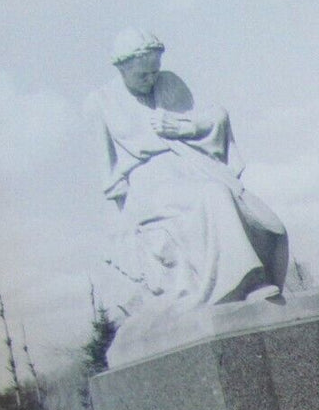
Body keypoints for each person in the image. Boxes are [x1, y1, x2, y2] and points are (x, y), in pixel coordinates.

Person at [93, 28, 287, 317]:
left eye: (154, 71)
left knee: (261, 218)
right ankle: (245, 282)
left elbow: (215, 115)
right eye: (142, 75)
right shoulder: (101, 102)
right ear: (122, 69)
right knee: (212, 195)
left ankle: (244, 279)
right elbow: (109, 177)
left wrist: (185, 127)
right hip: (147, 184)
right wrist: (123, 226)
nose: (151, 80)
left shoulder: (169, 83)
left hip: (192, 166)